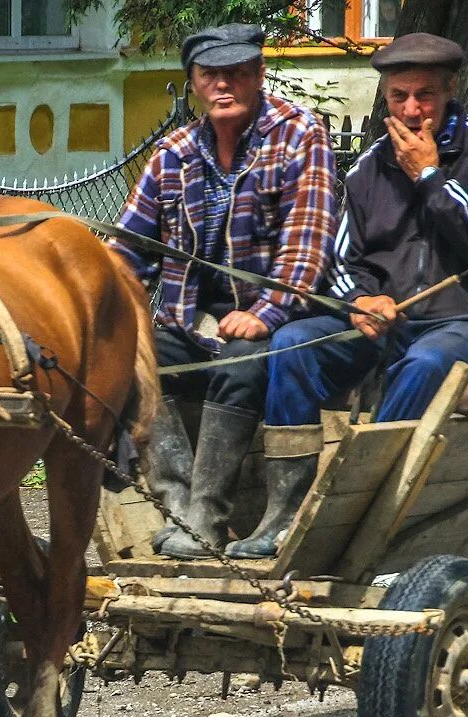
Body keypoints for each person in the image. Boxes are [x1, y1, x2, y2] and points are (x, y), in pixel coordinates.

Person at [226, 32, 468, 559]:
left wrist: (431, 176)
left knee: (425, 362)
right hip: (384, 324)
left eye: (425, 96)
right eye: (399, 96)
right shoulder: (368, 169)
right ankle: (284, 513)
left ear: (450, 90)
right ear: (385, 97)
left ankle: (359, 507)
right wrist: (359, 302)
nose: (412, 111)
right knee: (294, 343)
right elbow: (342, 263)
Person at [112, 23, 336, 559]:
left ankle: (206, 521)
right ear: (193, 82)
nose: (224, 86)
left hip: (280, 320)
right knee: (129, 358)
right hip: (193, 323)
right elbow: (127, 253)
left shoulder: (299, 134)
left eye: (237, 73)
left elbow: (308, 245)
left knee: (242, 363)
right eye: (212, 76)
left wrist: (267, 311)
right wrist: (102, 315)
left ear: (259, 75)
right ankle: (176, 505)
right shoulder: (173, 154)